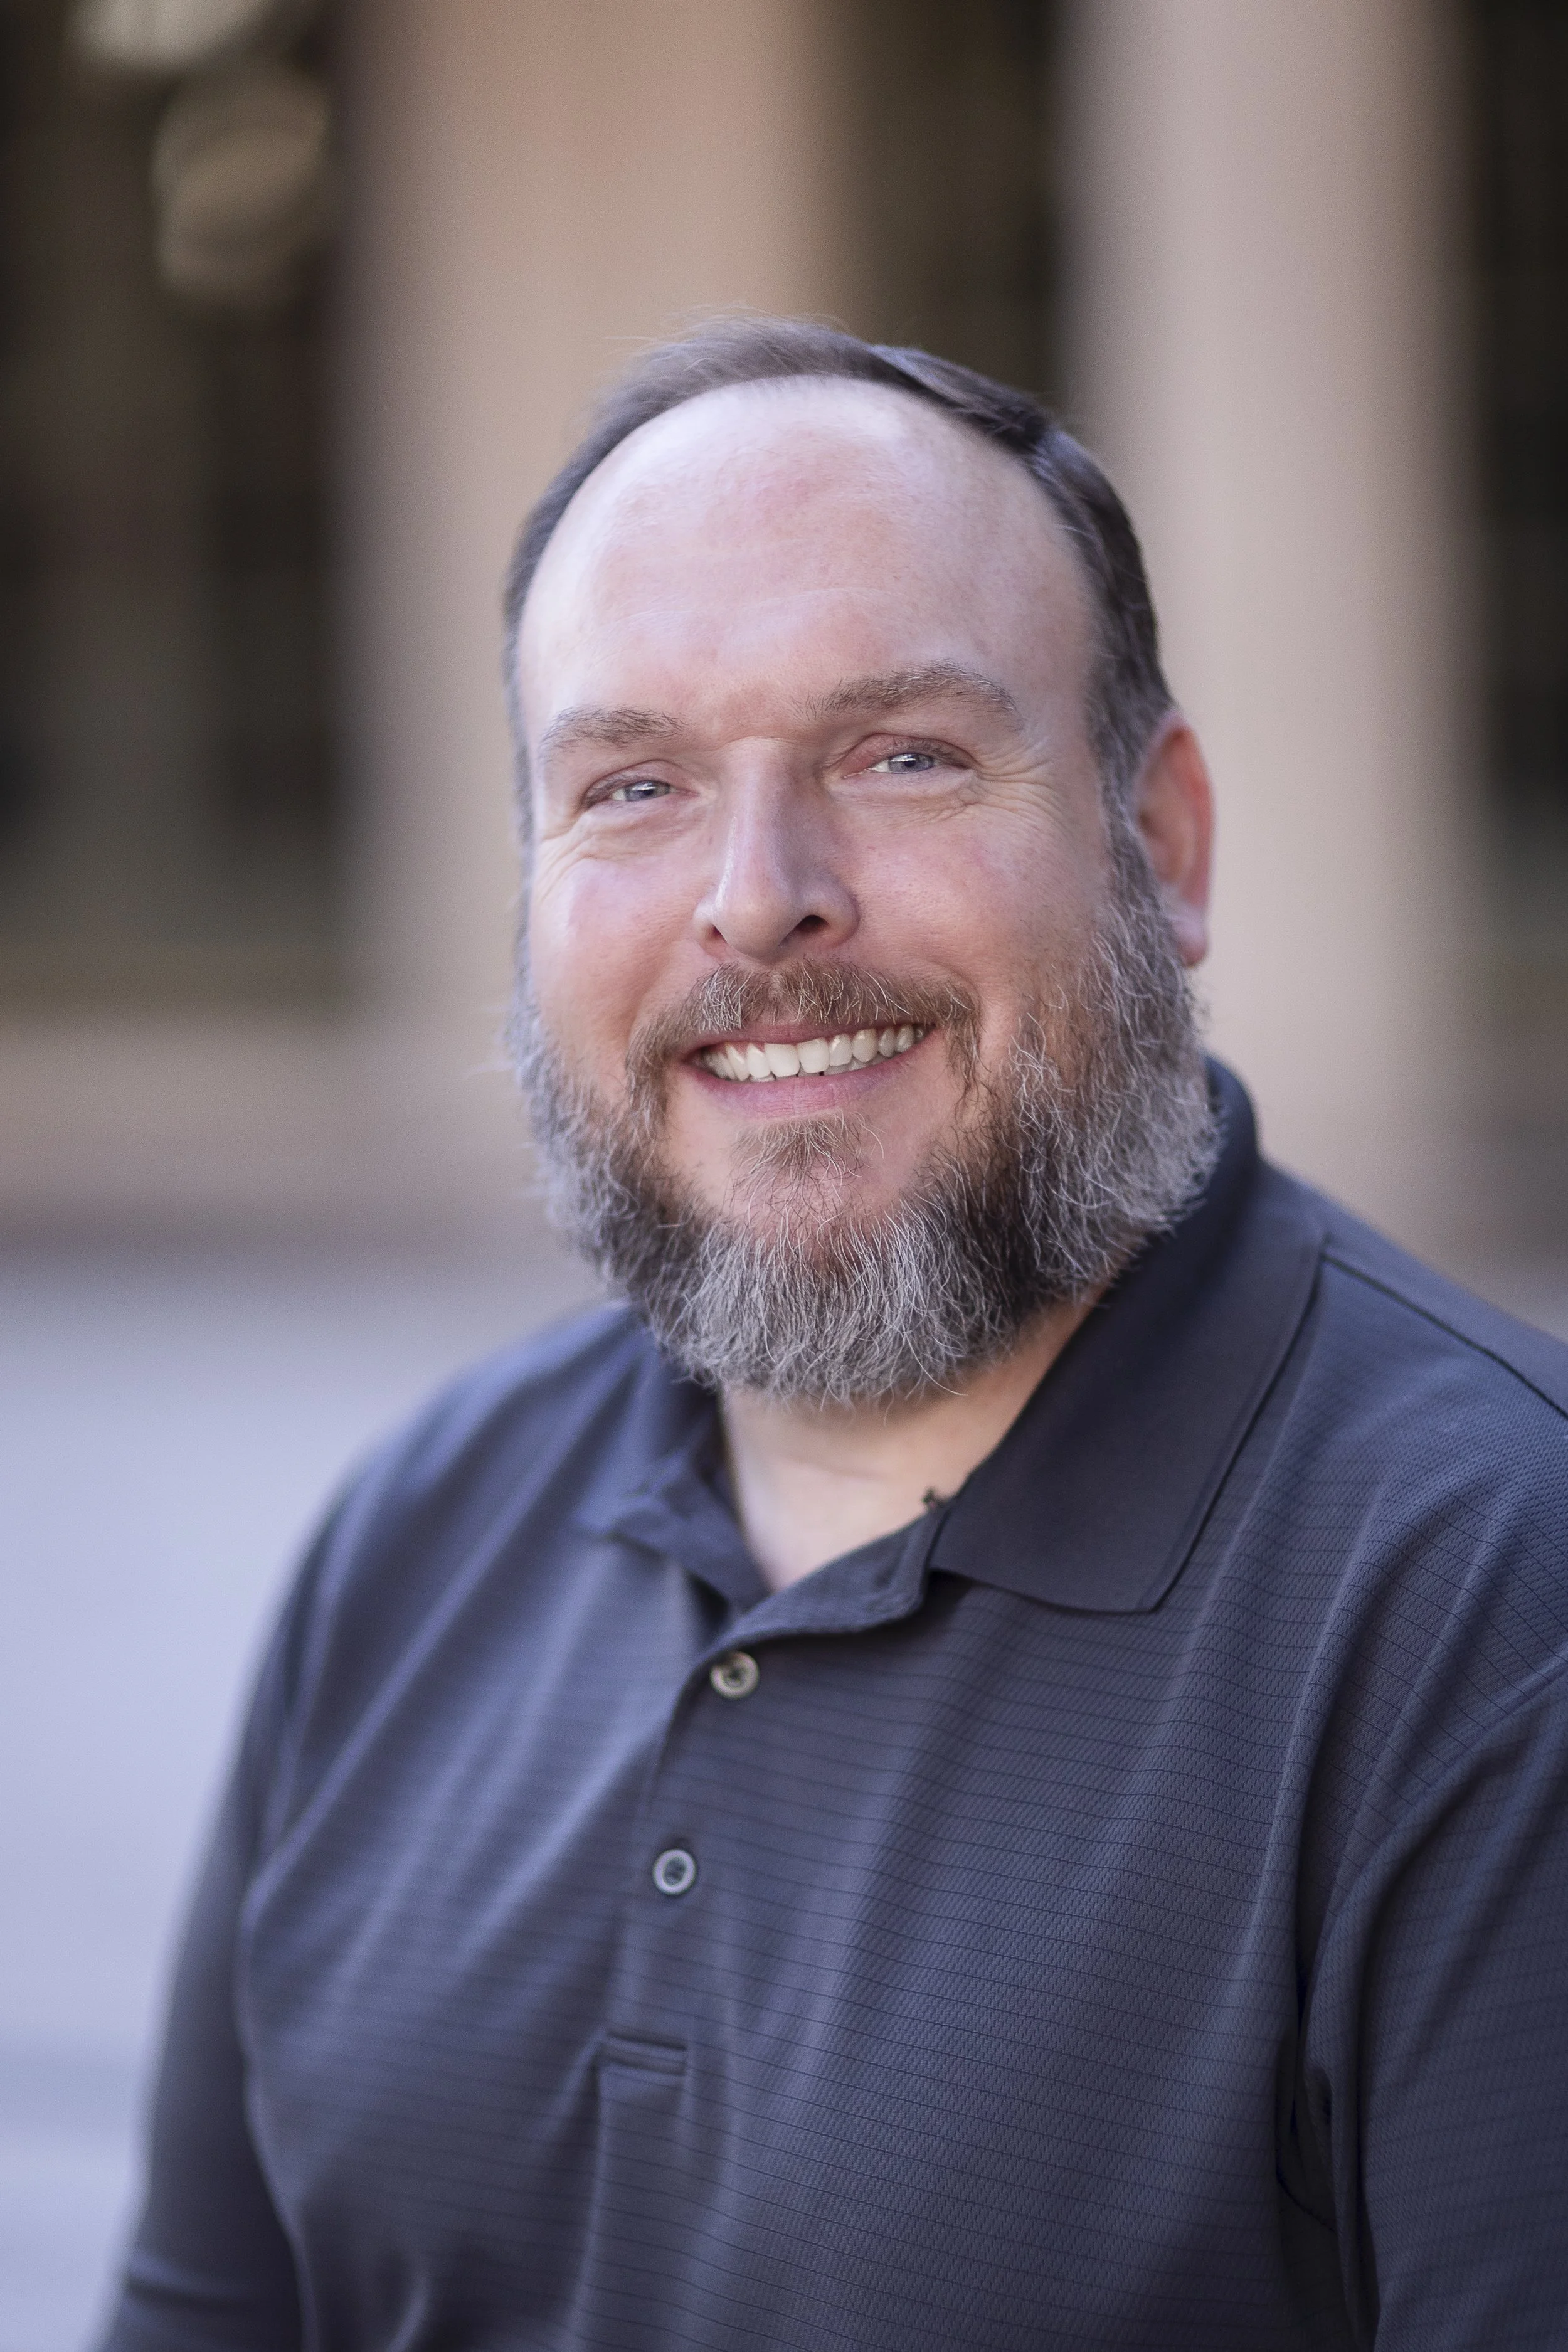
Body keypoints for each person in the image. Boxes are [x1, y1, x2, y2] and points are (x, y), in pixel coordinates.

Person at [101, 320, 1568, 2352]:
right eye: (631, 785)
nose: (757, 900)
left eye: (901, 753)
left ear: (1164, 843)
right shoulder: (415, 1535)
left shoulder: (1492, 1598)